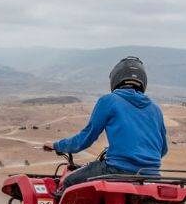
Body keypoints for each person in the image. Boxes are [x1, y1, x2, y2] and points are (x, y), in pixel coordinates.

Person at [43, 56, 168, 188]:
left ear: (116, 78)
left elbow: (84, 139)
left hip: (117, 171)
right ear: (143, 80)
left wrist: (56, 145)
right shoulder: (155, 109)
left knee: (68, 182)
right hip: (152, 177)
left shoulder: (109, 101)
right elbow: (163, 150)